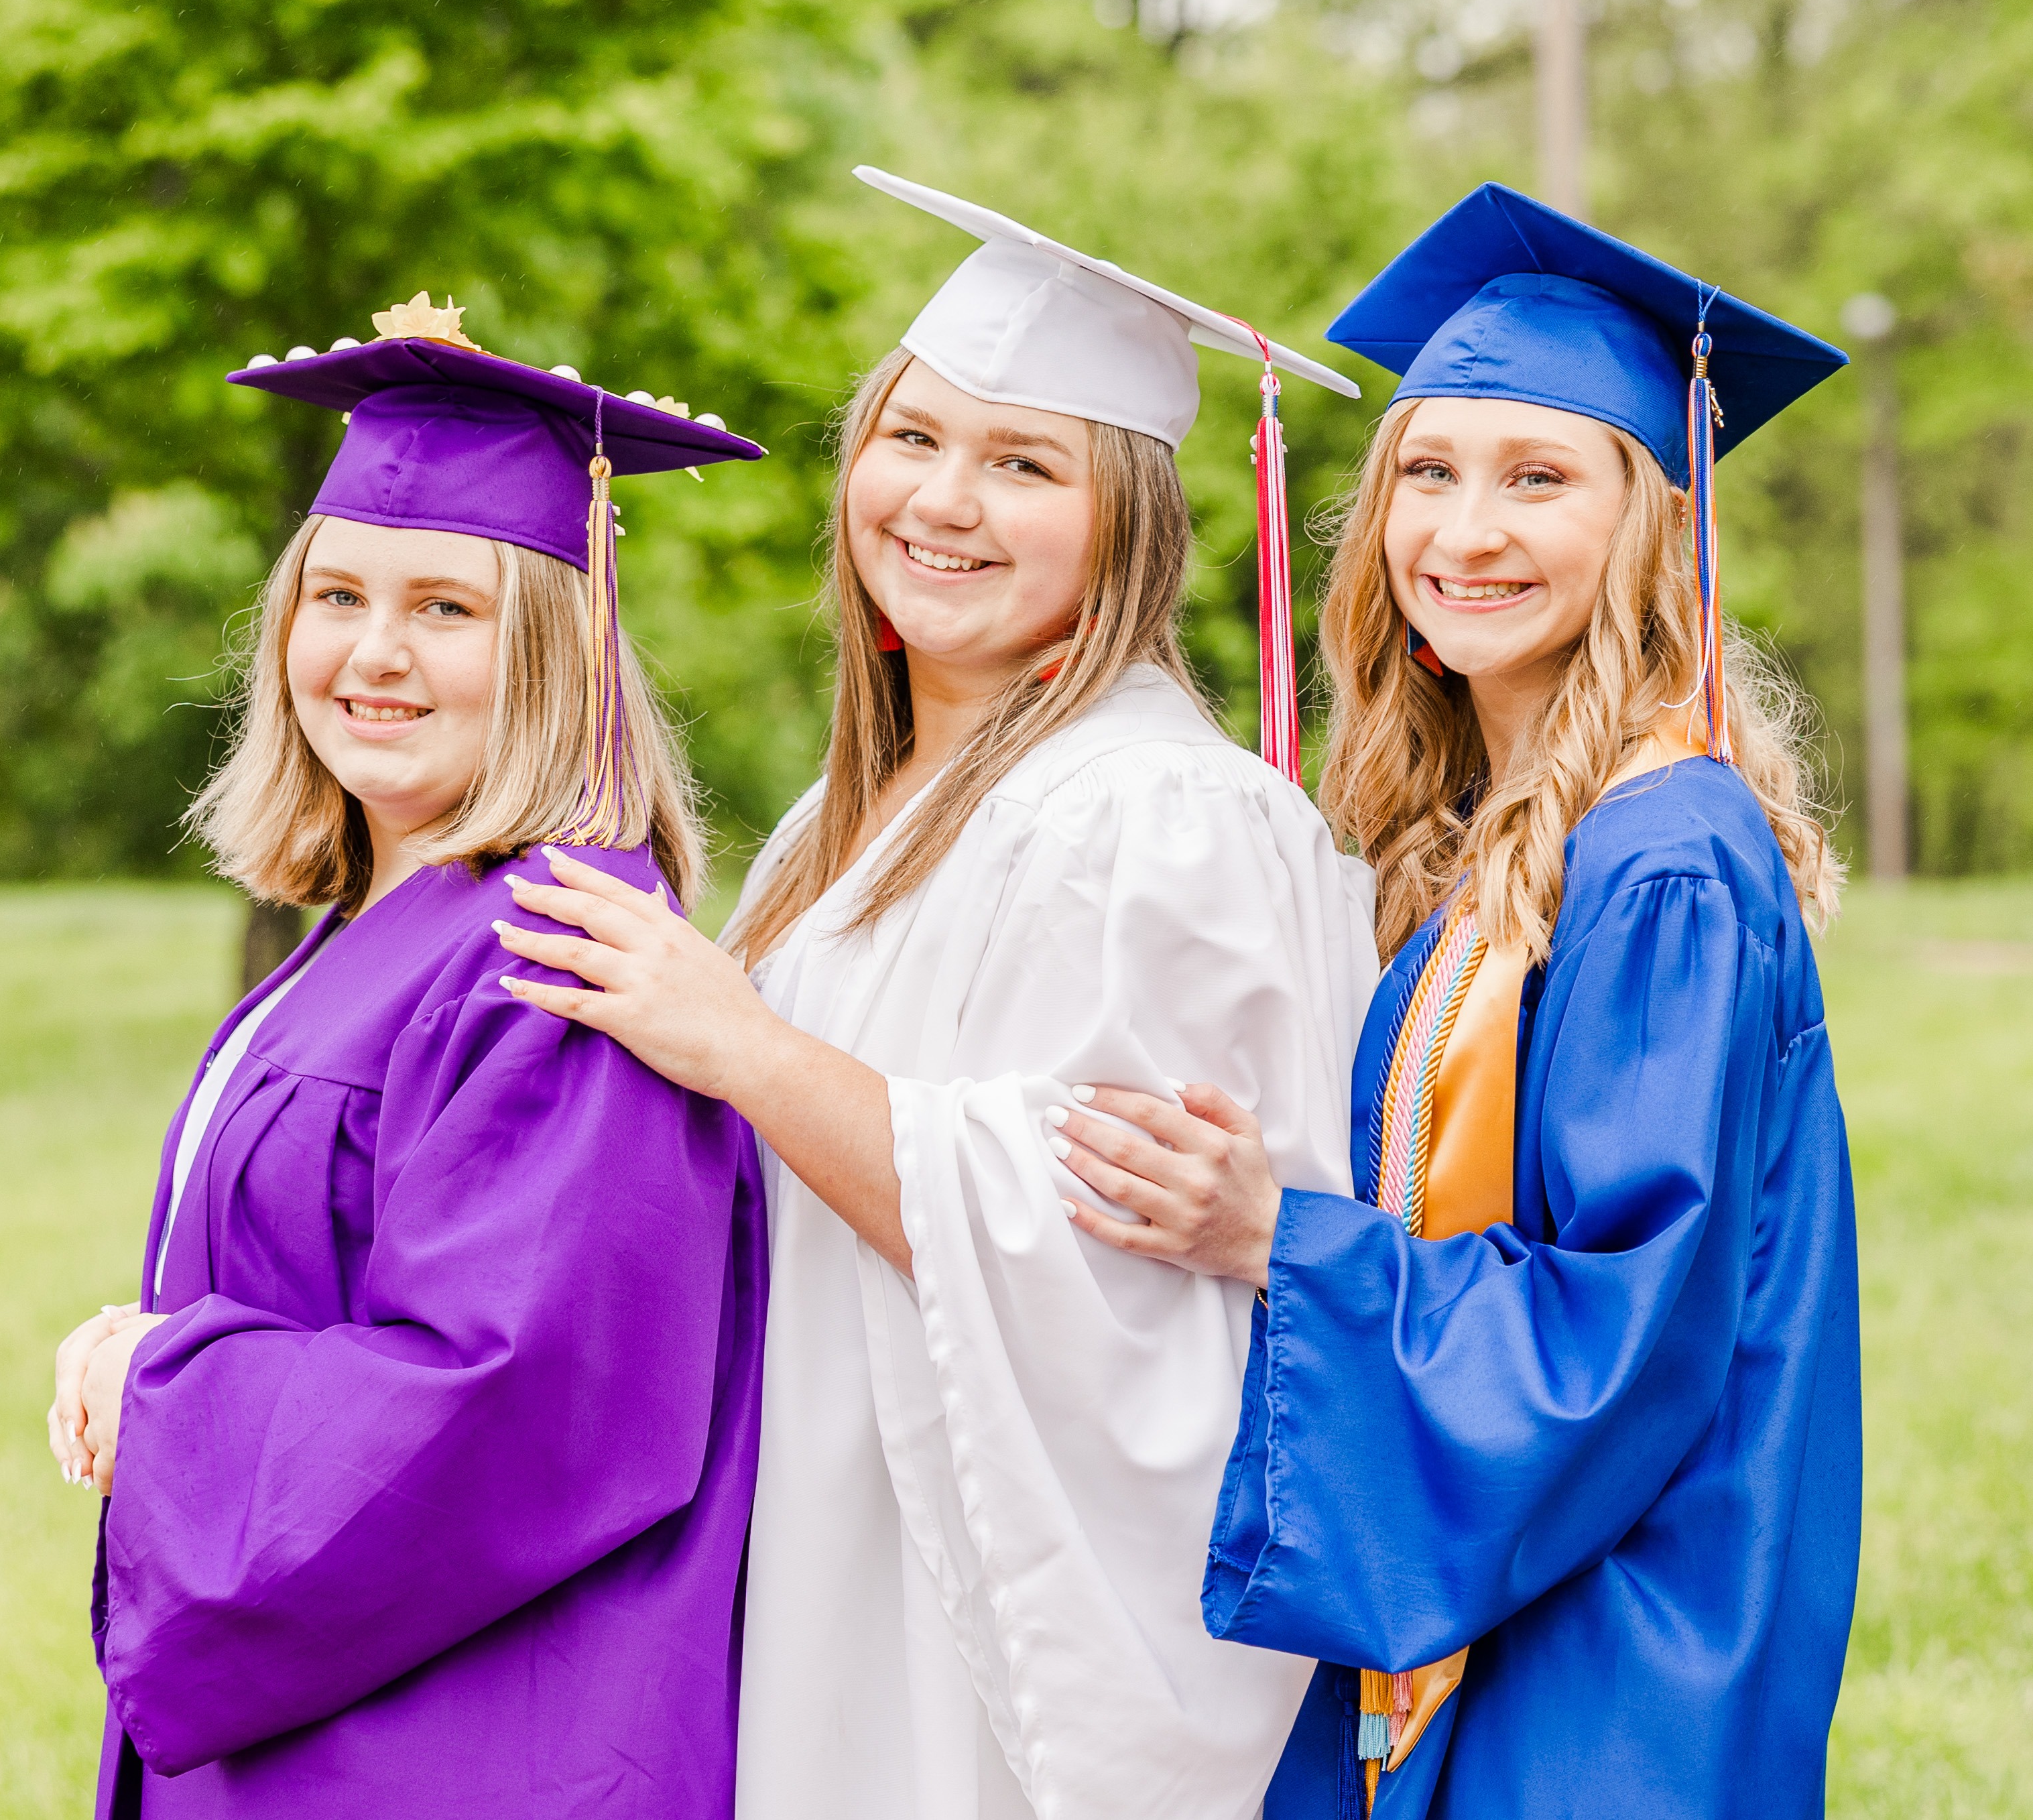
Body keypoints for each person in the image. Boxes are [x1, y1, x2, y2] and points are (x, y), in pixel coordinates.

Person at [495, 169, 1377, 1820]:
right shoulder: (840, 829)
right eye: (912, 440)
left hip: (979, 1597)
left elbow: (1115, 1249)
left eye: (1023, 462)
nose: (944, 501)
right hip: (815, 1532)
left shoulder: (1162, 816)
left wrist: (741, 1046)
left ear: (1127, 520)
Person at [1046, 186, 1863, 1819]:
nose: (1463, 533)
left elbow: (1612, 1338)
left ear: (1648, 525)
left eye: (1537, 479)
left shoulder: (1661, 861)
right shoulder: (1510, 832)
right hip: (1519, 1602)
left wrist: (1272, 1234)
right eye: (1428, 472)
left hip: (1610, 1653)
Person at [40, 295, 771, 1819]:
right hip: (343, 1698)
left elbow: (511, 1397)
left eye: (448, 607)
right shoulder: (400, 914)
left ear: (558, 645)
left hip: (463, 1739)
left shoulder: (561, 953)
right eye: (336, 596)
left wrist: (157, 1381)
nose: (373, 654)